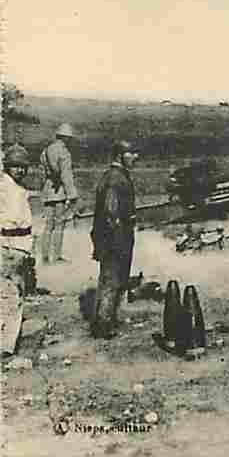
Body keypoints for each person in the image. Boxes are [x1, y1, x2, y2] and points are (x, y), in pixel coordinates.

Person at [89, 140, 138, 339]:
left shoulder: (117, 176)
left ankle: (107, 321)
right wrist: (118, 241)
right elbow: (111, 212)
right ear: (120, 155)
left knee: (114, 280)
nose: (136, 157)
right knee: (111, 280)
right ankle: (102, 327)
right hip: (114, 238)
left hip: (116, 237)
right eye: (131, 153)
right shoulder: (115, 179)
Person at [1, 144, 36, 357]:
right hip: (8, 244)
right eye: (15, 166)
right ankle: (5, 346)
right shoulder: (4, 187)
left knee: (14, 295)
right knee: (9, 297)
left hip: (20, 247)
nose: (20, 170)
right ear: (7, 166)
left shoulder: (19, 189)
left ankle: (7, 342)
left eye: (23, 167)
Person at [39, 122, 79, 264]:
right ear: (66, 138)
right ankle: (56, 256)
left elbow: (42, 173)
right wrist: (72, 194)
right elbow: (66, 176)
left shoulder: (46, 151)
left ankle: (44, 256)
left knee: (48, 225)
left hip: (48, 189)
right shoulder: (64, 152)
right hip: (59, 191)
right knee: (59, 224)